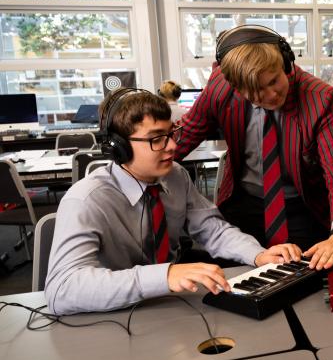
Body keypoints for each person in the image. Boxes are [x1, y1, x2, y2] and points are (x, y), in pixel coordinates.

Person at [45, 88, 300, 315]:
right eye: (156, 138)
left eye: (171, 134)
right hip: (113, 314)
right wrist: (164, 275)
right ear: (118, 147)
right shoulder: (86, 200)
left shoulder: (176, 176)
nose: (172, 146)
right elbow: (61, 290)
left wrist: (258, 255)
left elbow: (212, 230)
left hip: (171, 306)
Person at [175, 25, 333, 271]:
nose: (270, 95)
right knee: (234, 278)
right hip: (243, 201)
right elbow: (184, 135)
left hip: (301, 206)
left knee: (303, 279)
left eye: (273, 81)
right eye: (254, 93)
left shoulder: (319, 98)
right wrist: (133, 162)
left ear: (285, 63)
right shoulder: (221, 88)